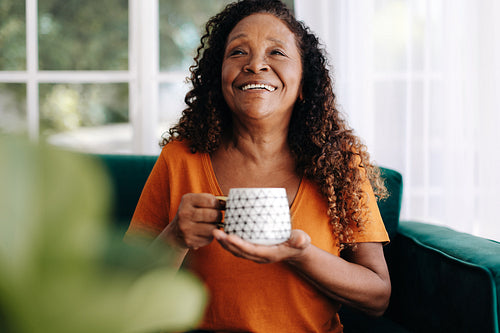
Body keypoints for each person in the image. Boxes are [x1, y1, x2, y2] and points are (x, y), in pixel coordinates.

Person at [125, 0, 391, 332]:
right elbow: (125, 287)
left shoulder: (339, 163)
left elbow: (378, 296)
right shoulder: (180, 158)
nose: (255, 65)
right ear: (217, 77)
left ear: (304, 80)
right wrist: (177, 236)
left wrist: (299, 255)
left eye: (276, 52)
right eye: (238, 52)